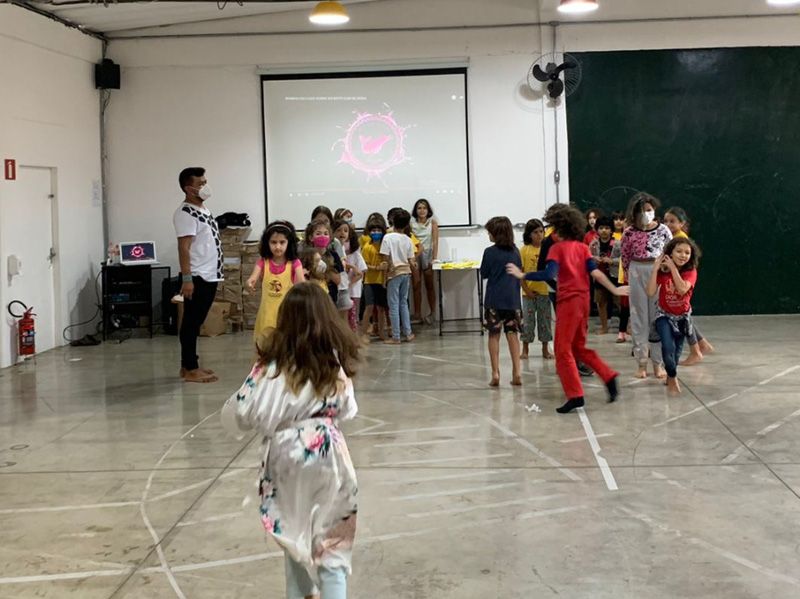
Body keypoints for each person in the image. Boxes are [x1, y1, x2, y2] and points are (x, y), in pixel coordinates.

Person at [222, 283, 360, 599]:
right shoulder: (332, 363)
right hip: (328, 452)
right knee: (333, 544)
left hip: (284, 455)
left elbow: (241, 412)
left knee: (291, 532)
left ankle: (301, 591)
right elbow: (349, 408)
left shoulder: (269, 368)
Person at [507, 204, 629, 414]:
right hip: (583, 302)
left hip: (568, 303)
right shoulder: (582, 247)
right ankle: (608, 375)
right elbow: (596, 274)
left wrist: (522, 275)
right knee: (578, 348)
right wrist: (615, 290)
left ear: (558, 227)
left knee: (563, 350)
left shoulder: (556, 249)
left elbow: (548, 274)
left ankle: (575, 395)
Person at [173, 167, 223, 384]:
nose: (205, 186)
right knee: (191, 322)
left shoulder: (204, 209)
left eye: (205, 181)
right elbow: (184, 247)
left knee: (197, 320)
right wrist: (187, 278)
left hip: (211, 274)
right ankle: (189, 367)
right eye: (200, 184)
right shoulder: (185, 213)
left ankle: (190, 364)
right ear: (188, 188)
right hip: (198, 275)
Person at [620, 192, 672, 379]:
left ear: (655, 210)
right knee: (638, 317)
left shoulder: (664, 231)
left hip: (658, 271)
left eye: (649, 210)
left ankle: (658, 363)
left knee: (657, 317)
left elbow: (670, 253)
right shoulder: (629, 233)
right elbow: (624, 256)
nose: (646, 214)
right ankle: (641, 363)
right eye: (641, 212)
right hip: (636, 271)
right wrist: (628, 275)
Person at [646, 237, 701, 394]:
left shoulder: (690, 271)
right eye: (679, 251)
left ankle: (671, 374)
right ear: (669, 253)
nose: (683, 255)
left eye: (687, 253)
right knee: (667, 347)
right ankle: (673, 378)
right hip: (664, 315)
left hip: (683, 318)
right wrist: (655, 269)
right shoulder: (663, 271)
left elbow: (683, 289)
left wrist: (673, 269)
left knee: (676, 352)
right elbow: (650, 292)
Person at [663, 206, 714, 365]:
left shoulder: (679, 238)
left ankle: (696, 350)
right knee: (684, 314)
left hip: (682, 279)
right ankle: (701, 344)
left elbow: (682, 260)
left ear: (682, 223)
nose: (668, 224)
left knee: (683, 315)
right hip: (677, 279)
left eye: (672, 221)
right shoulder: (671, 236)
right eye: (666, 221)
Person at [247, 221, 306, 346]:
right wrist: (250, 282)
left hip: (287, 315)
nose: (277, 247)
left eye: (282, 242)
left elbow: (302, 285)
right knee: (264, 348)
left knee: (286, 348)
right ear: (267, 243)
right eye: (273, 242)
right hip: (266, 315)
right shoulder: (263, 262)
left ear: (289, 243)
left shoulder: (295, 263)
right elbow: (253, 277)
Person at [481, 216, 523, 387]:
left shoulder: (489, 252)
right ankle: (517, 372)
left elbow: (484, 273)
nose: (488, 235)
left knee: (493, 335)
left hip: (493, 300)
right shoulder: (515, 251)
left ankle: (495, 373)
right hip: (512, 300)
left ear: (496, 234)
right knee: (513, 335)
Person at [380, 209, 416, 344]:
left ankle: (396, 336)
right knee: (403, 303)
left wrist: (384, 278)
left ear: (392, 221)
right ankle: (408, 333)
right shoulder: (407, 239)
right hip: (406, 273)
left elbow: (385, 260)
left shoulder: (387, 238)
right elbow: (412, 260)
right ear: (407, 224)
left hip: (394, 273)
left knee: (393, 305)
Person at [520, 218, 553, 360]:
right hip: (528, 293)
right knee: (528, 321)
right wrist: (526, 290)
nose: (539, 235)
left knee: (544, 321)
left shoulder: (548, 250)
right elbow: (520, 274)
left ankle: (545, 349)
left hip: (545, 292)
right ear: (529, 234)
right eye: (535, 232)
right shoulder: (524, 251)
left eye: (541, 231)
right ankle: (525, 349)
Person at [410, 199, 439, 325]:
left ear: (428, 210)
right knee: (416, 285)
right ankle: (417, 314)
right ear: (416, 211)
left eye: (424, 208)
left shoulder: (432, 223)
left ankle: (433, 313)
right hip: (415, 255)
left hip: (427, 254)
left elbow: (435, 241)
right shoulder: (411, 224)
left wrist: (434, 258)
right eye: (419, 208)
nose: (422, 211)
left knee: (429, 285)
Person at [360, 216, 389, 342]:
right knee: (369, 307)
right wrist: (377, 267)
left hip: (382, 282)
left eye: (378, 230)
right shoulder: (367, 247)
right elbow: (364, 265)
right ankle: (362, 334)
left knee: (381, 308)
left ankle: (382, 333)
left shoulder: (386, 245)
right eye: (373, 230)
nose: (376, 233)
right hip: (369, 282)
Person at [304, 218, 344, 304]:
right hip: (311, 299)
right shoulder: (306, 256)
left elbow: (338, 280)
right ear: (311, 237)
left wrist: (326, 267)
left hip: (330, 299)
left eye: (326, 234)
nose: (323, 236)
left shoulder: (334, 255)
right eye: (318, 234)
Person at [589, 216, 616, 334]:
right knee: (601, 302)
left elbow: (625, 259)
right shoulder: (593, 244)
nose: (604, 230)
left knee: (620, 301)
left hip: (614, 276)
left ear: (611, 230)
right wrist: (594, 258)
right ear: (596, 229)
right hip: (599, 276)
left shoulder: (618, 244)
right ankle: (604, 327)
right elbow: (588, 257)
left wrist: (612, 261)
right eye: (601, 228)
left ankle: (625, 327)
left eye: (607, 228)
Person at [340, 222, 367, 333]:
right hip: (341, 292)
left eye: (346, 232)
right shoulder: (337, 252)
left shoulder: (355, 254)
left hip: (353, 292)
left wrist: (349, 283)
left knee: (352, 318)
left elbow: (361, 273)